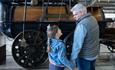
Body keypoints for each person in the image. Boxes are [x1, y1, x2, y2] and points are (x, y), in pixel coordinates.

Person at [70, 3, 100, 70]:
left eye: (75, 14)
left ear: (81, 12)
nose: (74, 16)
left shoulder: (82, 25)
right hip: (93, 54)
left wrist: (73, 59)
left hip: (85, 57)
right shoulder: (93, 19)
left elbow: (77, 45)